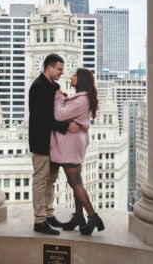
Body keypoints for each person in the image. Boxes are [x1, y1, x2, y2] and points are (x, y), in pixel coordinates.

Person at [50, 68, 104, 235]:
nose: (71, 77)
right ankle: (79, 217)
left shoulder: (81, 100)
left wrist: (58, 96)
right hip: (74, 144)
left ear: (80, 80)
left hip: (70, 145)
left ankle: (93, 217)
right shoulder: (81, 98)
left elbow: (59, 115)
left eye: (74, 75)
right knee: (77, 181)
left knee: (75, 183)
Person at [28, 53, 77, 235]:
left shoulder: (53, 86)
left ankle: (49, 215)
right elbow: (44, 118)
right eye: (59, 69)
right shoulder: (38, 87)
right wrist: (66, 126)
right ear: (49, 67)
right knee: (40, 180)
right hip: (41, 142)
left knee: (51, 180)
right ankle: (39, 221)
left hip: (54, 142)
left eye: (63, 70)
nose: (62, 73)